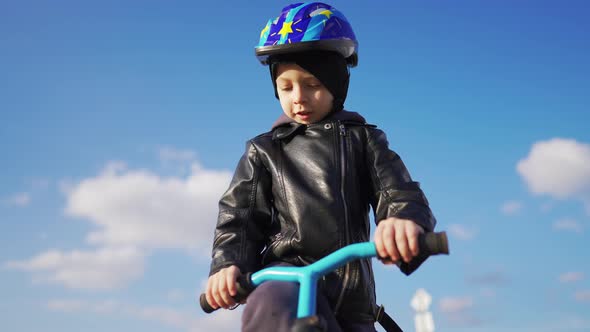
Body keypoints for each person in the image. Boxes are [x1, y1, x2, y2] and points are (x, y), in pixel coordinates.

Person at [204, 2, 436, 331]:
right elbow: (238, 217)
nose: (298, 97)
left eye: (312, 85)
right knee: (271, 304)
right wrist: (228, 264)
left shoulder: (364, 140)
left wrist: (401, 220)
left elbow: (396, 189)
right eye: (286, 87)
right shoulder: (265, 150)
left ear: (336, 85)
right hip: (288, 281)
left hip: (351, 298)